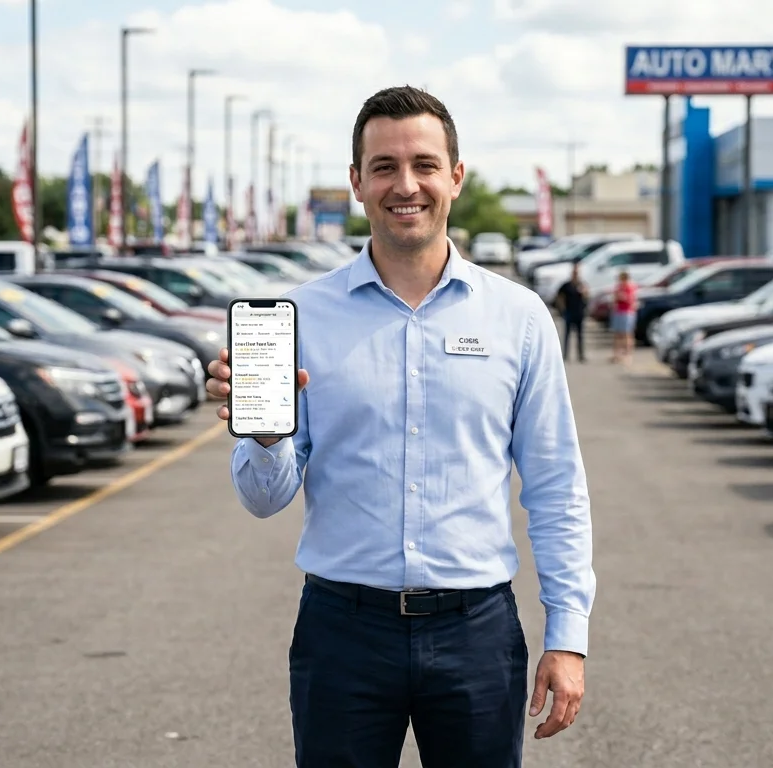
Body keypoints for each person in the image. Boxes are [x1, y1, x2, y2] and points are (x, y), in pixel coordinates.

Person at [205, 85, 594, 767]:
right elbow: (264, 501)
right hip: (342, 633)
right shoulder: (301, 317)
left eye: (424, 164)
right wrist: (264, 437)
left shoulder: (519, 317)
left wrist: (568, 635)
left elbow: (557, 487)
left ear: (456, 177)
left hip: (477, 632)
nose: (405, 184)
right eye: (383, 166)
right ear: (356, 181)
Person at [554, 263, 587, 362]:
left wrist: (584, 292)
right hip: (569, 312)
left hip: (579, 312)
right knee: (567, 335)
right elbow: (559, 296)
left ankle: (581, 355)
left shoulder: (582, 284)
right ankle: (565, 355)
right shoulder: (566, 285)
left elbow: (587, 297)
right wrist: (562, 308)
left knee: (580, 335)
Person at [610, 270, 637, 364]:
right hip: (618, 311)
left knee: (627, 334)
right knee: (617, 334)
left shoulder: (630, 287)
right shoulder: (618, 287)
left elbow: (631, 300)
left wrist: (623, 297)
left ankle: (628, 354)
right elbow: (614, 298)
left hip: (627, 312)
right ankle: (616, 354)